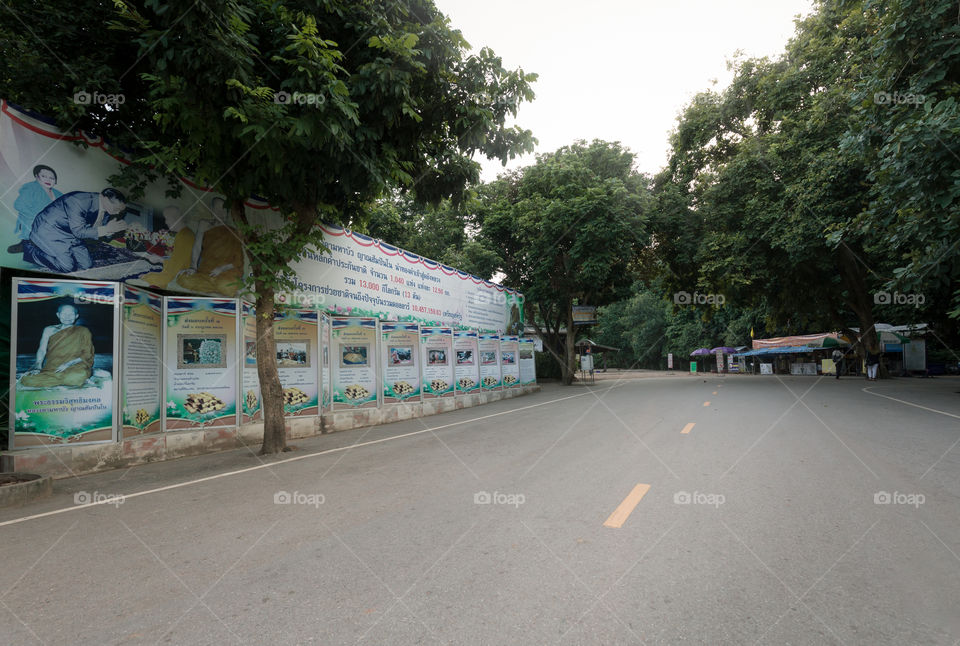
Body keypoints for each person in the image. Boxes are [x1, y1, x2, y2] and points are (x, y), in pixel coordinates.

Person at [22, 188, 129, 273]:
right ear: (104, 198)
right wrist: (106, 229)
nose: (116, 213)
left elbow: (103, 233)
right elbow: (79, 231)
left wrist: (113, 230)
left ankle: (57, 251)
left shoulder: (108, 210)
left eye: (120, 210)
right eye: (116, 209)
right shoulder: (78, 201)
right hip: (49, 230)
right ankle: (30, 250)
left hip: (71, 234)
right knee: (67, 267)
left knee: (86, 265)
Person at [20, 303, 95, 388]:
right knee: (27, 379)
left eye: (71, 314)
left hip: (75, 366)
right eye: (64, 314)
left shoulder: (83, 331)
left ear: (76, 316)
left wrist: (67, 364)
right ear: (58, 315)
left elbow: (87, 353)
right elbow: (42, 350)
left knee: (77, 376)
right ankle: (62, 379)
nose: (67, 317)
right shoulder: (49, 330)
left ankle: (59, 379)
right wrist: (38, 367)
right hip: (53, 367)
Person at [9, 165, 63, 253]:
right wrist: (38, 216)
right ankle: (26, 243)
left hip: (52, 223)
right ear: (36, 176)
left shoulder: (58, 194)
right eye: (44, 176)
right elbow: (18, 205)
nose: (48, 180)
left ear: (55, 181)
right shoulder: (31, 188)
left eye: (52, 178)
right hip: (32, 220)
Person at [139, 206, 197, 289]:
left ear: (176, 218)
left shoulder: (185, 236)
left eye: (167, 218)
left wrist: (159, 260)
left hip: (181, 278)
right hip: (176, 273)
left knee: (142, 278)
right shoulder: (183, 233)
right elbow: (177, 261)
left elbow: (177, 269)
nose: (166, 222)